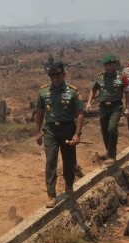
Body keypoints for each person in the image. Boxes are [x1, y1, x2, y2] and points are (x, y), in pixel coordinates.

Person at [35, 62, 85, 208]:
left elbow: (80, 114)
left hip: (68, 129)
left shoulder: (72, 92)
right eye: (52, 77)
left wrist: (78, 134)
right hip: (50, 130)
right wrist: (38, 131)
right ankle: (51, 195)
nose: (55, 79)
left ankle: (69, 185)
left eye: (58, 76)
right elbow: (40, 112)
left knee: (69, 161)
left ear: (63, 75)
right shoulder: (43, 92)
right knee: (50, 160)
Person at [86, 54, 129, 164]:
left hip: (116, 106)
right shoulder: (99, 77)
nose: (108, 68)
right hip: (103, 107)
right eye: (106, 66)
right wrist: (89, 103)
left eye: (110, 65)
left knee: (112, 128)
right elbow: (93, 90)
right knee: (105, 130)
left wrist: (128, 108)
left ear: (115, 65)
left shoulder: (122, 77)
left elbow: (127, 93)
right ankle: (109, 151)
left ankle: (112, 155)